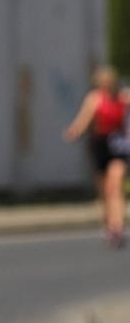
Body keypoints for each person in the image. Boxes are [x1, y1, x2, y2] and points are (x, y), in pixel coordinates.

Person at [64, 65, 130, 248]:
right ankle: (108, 223)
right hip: (99, 144)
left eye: (110, 84)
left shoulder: (124, 97)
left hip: (118, 145)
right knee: (103, 190)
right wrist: (75, 131)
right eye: (104, 84)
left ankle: (118, 226)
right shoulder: (95, 98)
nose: (108, 88)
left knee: (115, 186)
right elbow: (84, 120)